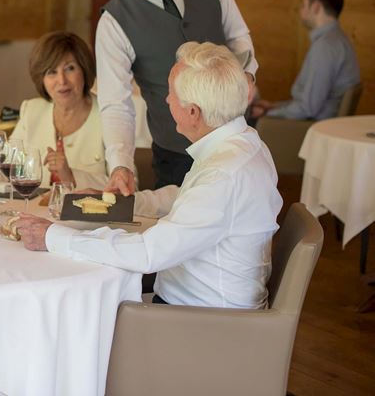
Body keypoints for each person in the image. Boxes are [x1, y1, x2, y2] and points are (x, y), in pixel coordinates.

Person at [18, 42, 283, 309]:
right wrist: (113, 203)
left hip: (201, 320)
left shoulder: (223, 175)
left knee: (78, 311)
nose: (166, 100)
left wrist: (53, 237)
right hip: (205, 303)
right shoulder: (241, 144)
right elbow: (184, 196)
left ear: (193, 112)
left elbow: (147, 254)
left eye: (171, 94)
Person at [96, 0, 258, 192]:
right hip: (175, 159)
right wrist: (121, 165)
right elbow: (115, 104)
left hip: (237, 143)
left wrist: (247, 76)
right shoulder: (113, 22)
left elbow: (238, 39)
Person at [8, 31, 107, 190]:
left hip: (85, 213)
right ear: (42, 79)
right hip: (35, 210)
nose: (62, 80)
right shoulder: (32, 110)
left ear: (84, 69)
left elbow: (128, 186)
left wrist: (71, 175)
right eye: (51, 72)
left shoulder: (108, 115)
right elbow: (5, 166)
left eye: (70, 68)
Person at [252, 0, 359, 121]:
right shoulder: (338, 40)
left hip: (309, 128)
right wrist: (274, 107)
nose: (301, 10)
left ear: (315, 7)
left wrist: (267, 114)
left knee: (247, 124)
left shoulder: (325, 48)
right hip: (319, 124)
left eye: (303, 4)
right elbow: (308, 103)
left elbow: (308, 109)